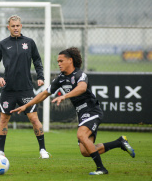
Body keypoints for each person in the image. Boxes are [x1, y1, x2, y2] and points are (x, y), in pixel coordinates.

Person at [11, 47, 135, 175]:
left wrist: (65, 95)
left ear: (70, 60)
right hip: (82, 114)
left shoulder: (79, 75)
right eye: (58, 61)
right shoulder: (60, 78)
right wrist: (27, 105)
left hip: (92, 111)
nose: (58, 63)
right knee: (85, 151)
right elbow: (44, 94)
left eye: (61, 61)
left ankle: (101, 168)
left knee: (81, 135)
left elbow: (81, 88)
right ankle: (119, 142)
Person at [0, 15, 50, 158]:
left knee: (34, 118)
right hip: (8, 90)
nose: (15, 28)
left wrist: (40, 77)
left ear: (21, 26)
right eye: (13, 26)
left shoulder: (29, 42)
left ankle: (43, 150)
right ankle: (0, 151)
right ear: (8, 27)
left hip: (26, 89)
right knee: (4, 119)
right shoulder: (2, 44)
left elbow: (37, 60)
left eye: (18, 26)